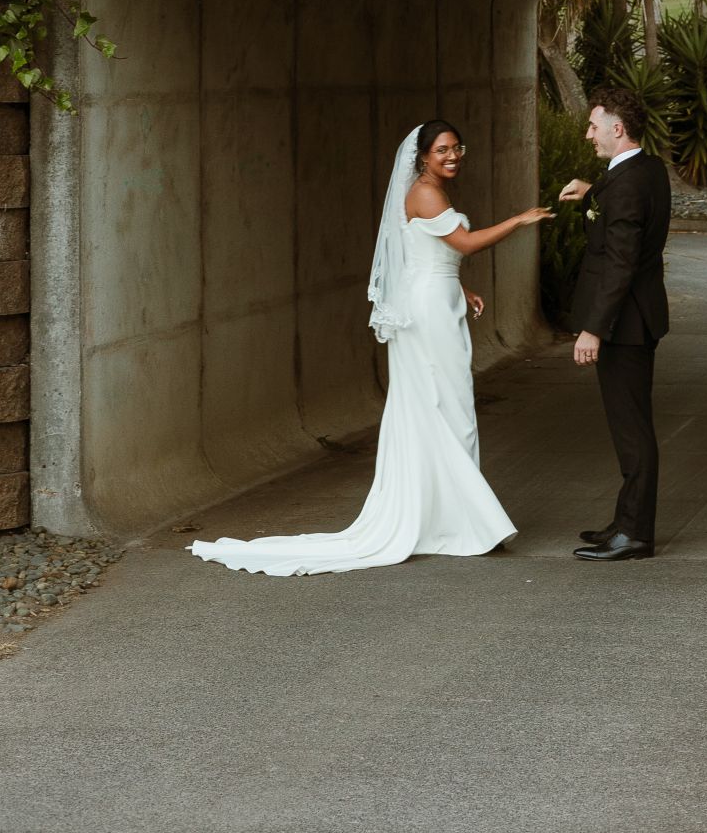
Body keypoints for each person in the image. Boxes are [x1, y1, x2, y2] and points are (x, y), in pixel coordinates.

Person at [190, 120, 551, 576]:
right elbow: (463, 243)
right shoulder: (425, 193)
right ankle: (459, 520)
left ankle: (449, 517)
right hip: (428, 312)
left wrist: (460, 287)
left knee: (446, 404)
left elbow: (425, 254)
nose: (453, 156)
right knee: (444, 405)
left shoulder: (430, 192)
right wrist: (519, 220)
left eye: (458, 147)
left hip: (437, 302)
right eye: (442, 149)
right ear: (423, 156)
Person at [558, 86, 671, 562]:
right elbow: (624, 208)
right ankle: (626, 521)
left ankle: (635, 534)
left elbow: (620, 263)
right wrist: (591, 192)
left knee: (631, 430)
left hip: (624, 326)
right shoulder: (647, 169)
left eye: (593, 126)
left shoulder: (625, 184)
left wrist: (593, 329)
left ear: (617, 128)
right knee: (630, 425)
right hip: (638, 318)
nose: (588, 135)